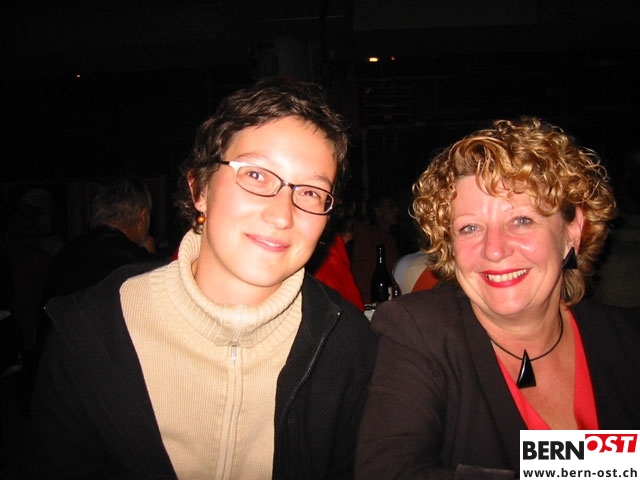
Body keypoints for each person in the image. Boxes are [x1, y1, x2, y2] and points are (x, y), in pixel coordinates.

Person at [22, 77, 378, 480]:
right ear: (199, 189)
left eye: (311, 192)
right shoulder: (91, 332)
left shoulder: (349, 347)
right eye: (256, 175)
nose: (282, 215)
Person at [355, 117, 640, 479]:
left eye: (521, 220)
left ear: (572, 231)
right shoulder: (420, 332)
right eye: (470, 227)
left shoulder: (627, 340)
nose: (494, 249)